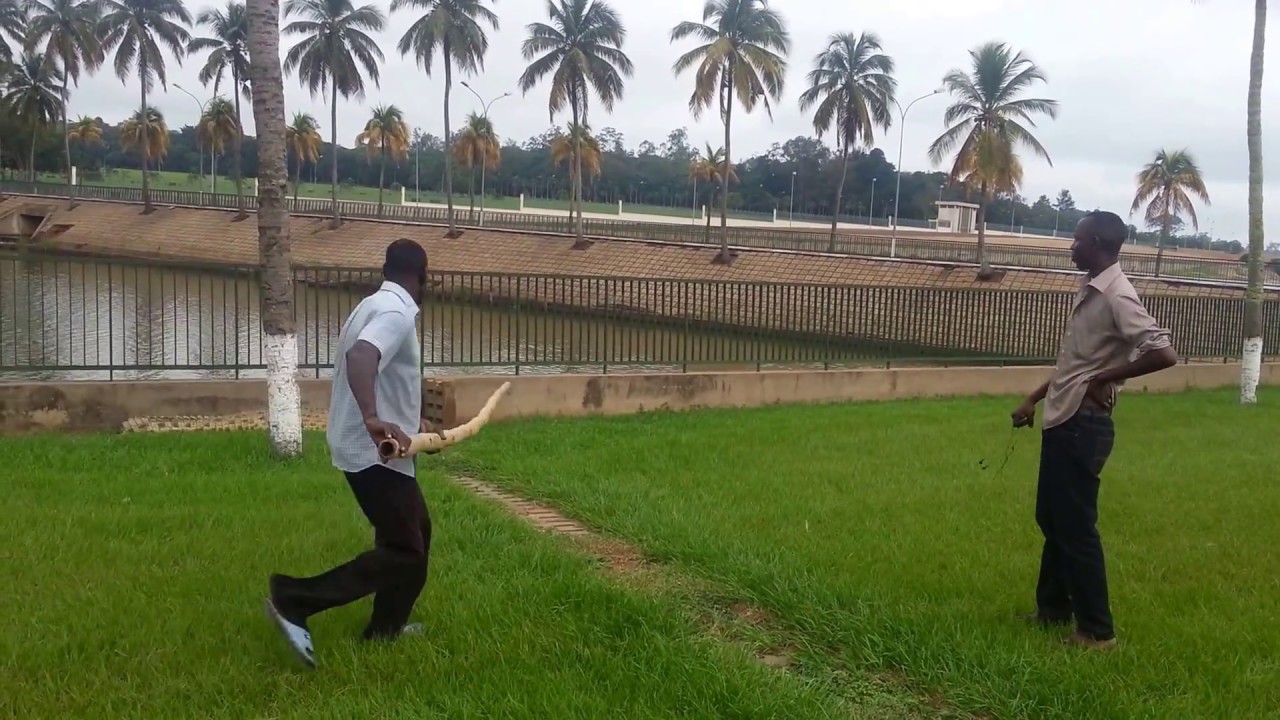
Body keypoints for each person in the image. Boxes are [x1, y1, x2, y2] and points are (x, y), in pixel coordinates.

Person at [265, 237, 441, 668]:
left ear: (386, 268)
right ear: (422, 277)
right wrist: (372, 418)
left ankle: (385, 630)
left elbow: (382, 371)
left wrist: (409, 419)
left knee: (416, 533)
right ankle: (294, 599)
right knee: (406, 550)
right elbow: (363, 356)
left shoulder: (373, 305)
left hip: (379, 449)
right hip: (373, 452)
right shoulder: (398, 312)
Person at [1010, 210, 1177, 651]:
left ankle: (1097, 632)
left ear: (1098, 243)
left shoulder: (1118, 295)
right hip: (1064, 417)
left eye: (1078, 239)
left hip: (1084, 426)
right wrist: (1034, 397)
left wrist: (1106, 379)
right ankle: (1052, 609)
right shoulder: (1091, 288)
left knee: (1077, 526)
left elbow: (1163, 353)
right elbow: (1077, 365)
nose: (1071, 246)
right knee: (1052, 517)